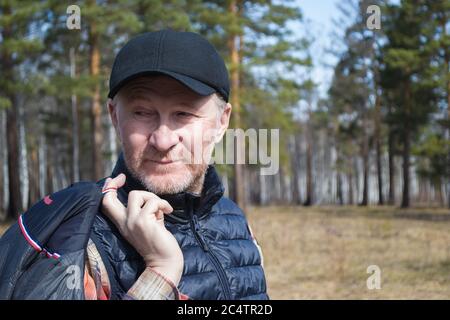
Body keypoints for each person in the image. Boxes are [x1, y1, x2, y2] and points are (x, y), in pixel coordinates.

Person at [0, 29, 268, 300]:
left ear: (222, 121)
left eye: (183, 113)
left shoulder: (234, 221)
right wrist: (160, 274)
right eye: (142, 112)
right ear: (115, 117)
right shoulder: (78, 243)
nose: (163, 140)